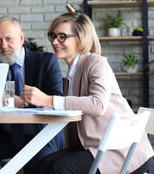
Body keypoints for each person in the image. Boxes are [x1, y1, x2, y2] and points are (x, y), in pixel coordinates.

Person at [24, 12, 154, 173]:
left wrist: (48, 100)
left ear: (81, 38)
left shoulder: (96, 63)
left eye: (62, 36)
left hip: (121, 150)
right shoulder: (73, 72)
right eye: (53, 35)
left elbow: (98, 104)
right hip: (96, 145)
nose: (55, 41)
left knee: (59, 169)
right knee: (42, 165)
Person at [0, 16, 65, 173]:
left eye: (9, 39)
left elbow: (56, 99)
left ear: (21, 38)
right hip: (4, 134)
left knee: (38, 164)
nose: (3, 46)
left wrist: (21, 101)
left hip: (39, 133)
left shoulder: (46, 62)